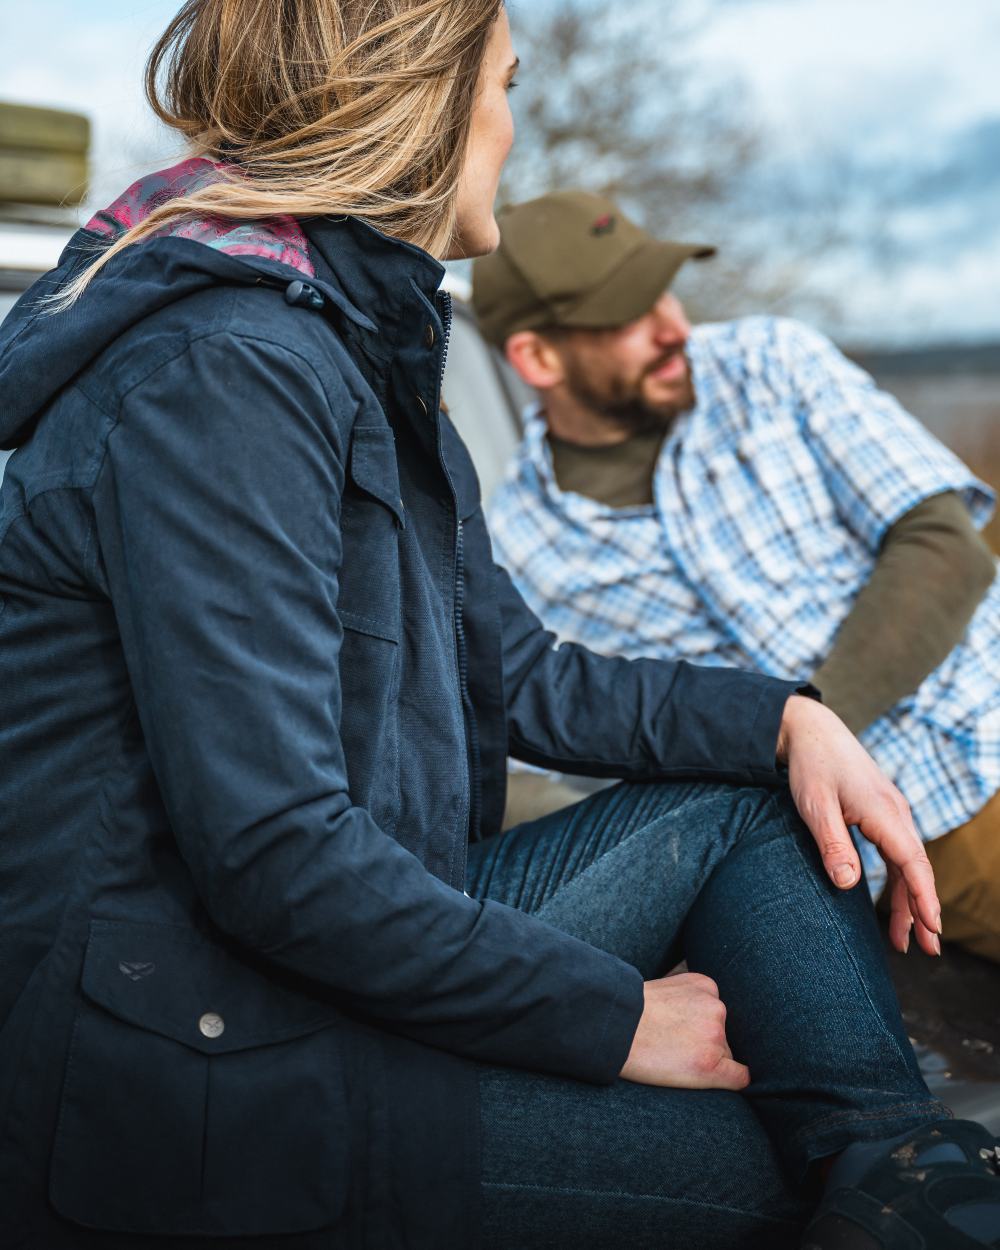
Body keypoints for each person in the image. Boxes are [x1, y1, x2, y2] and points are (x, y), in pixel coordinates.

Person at [0, 5, 996, 1249]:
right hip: (191, 1057)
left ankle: (899, 1168)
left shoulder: (345, 345)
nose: (513, 129)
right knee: (762, 1172)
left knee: (750, 787)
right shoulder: (224, 374)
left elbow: (519, 671)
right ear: (418, 104)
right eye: (505, 85)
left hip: (299, 960)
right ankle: (902, 1189)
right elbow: (274, 852)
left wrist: (787, 714)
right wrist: (611, 1014)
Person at [476, 189, 1000, 965]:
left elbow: (942, 545)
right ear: (538, 358)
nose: (674, 327)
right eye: (629, 313)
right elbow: (519, 769)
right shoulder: (517, 549)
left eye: (665, 288)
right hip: (870, 868)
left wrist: (805, 732)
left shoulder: (771, 364)